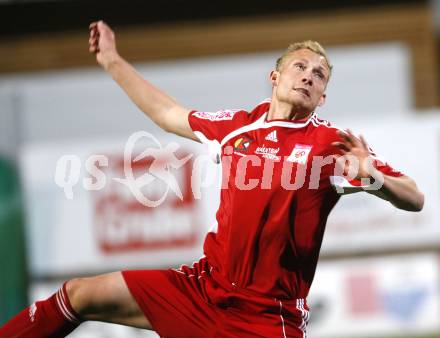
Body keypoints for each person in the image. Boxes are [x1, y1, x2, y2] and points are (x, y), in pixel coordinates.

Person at [0, 20, 424, 338]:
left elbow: (415, 197)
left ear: (323, 96)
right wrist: (112, 60)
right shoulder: (237, 127)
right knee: (80, 294)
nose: (309, 76)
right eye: (300, 67)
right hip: (203, 290)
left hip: (265, 316)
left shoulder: (332, 144)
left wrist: (375, 180)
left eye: (319, 75)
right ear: (275, 78)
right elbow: (167, 113)